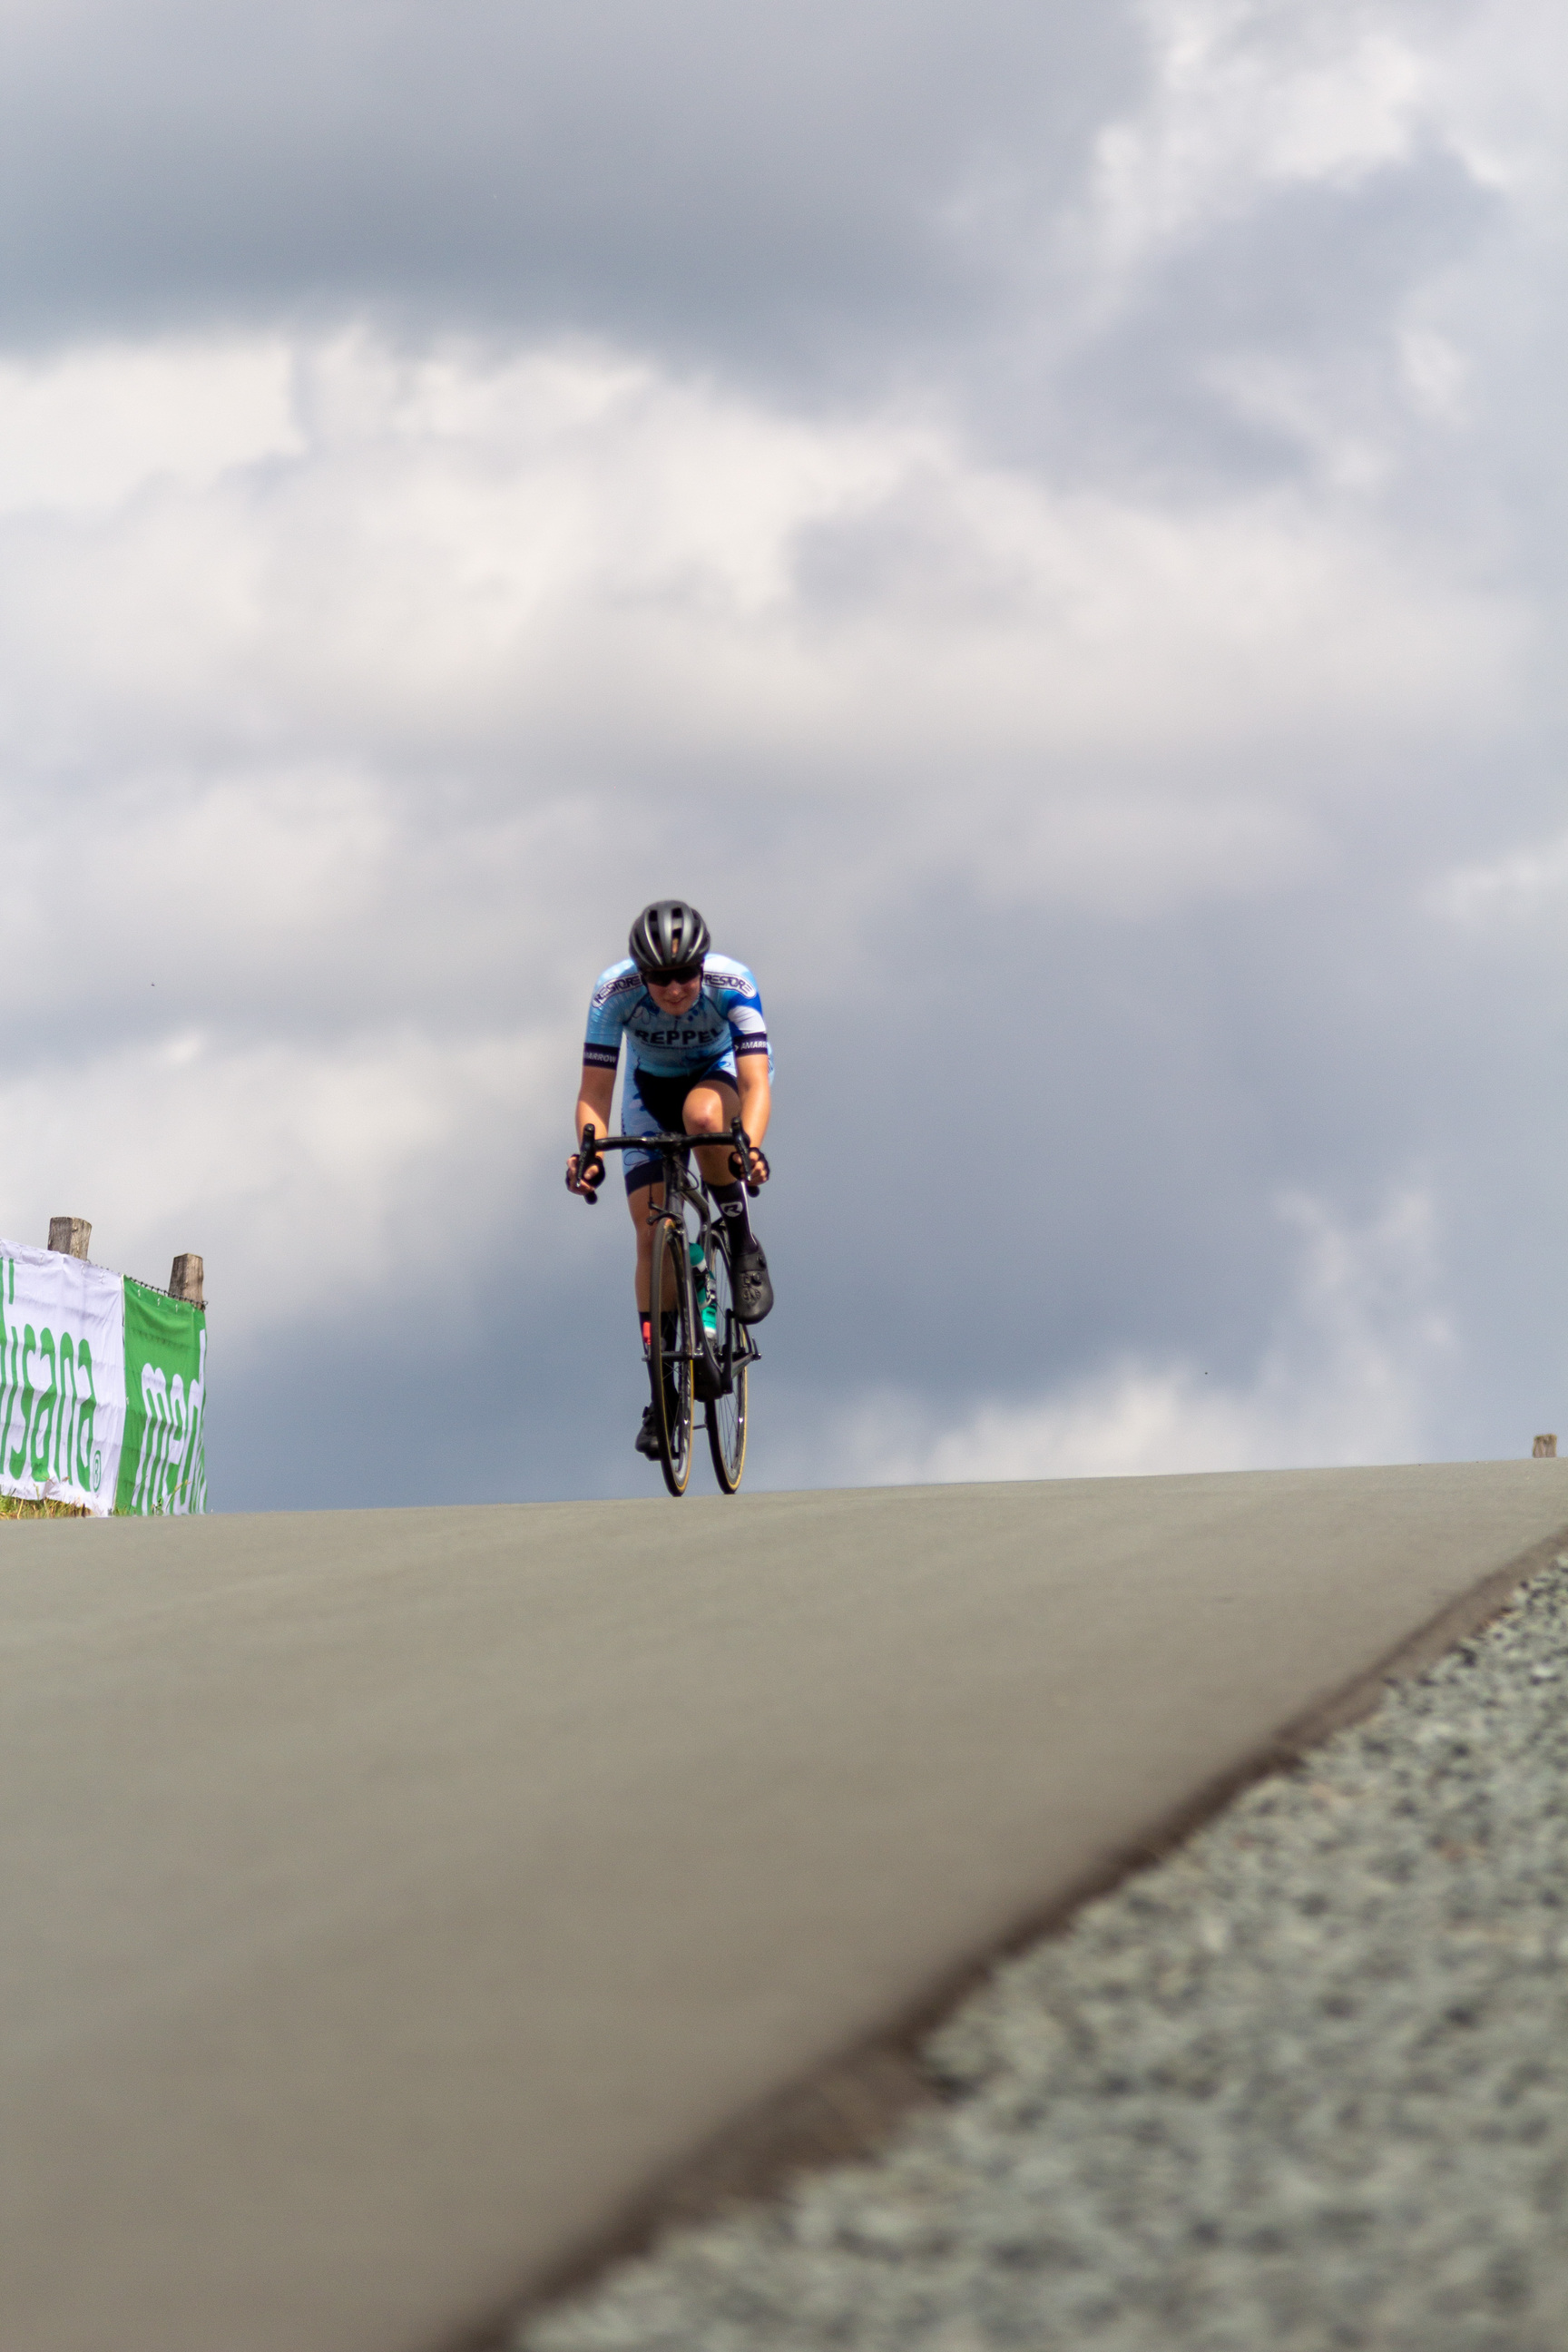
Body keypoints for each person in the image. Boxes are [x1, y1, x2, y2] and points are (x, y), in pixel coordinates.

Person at [566, 900, 773, 1459]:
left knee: (704, 1120)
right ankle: (663, 1392)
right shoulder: (614, 993)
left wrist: (748, 1147)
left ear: (702, 967)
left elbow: (755, 1083)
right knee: (651, 1231)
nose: (676, 988)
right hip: (648, 1091)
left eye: (685, 974)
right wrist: (588, 1153)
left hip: (717, 1076)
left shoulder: (733, 983)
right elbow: (596, 1090)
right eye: (660, 978)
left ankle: (737, 1236)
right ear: (641, 973)